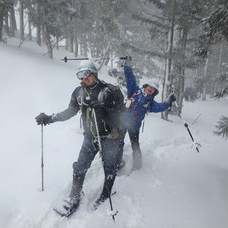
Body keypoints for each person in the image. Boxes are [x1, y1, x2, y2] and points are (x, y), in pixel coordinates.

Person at [35, 60, 124, 211]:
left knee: (110, 168)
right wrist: (49, 118)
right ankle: (74, 196)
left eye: (86, 75)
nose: (83, 79)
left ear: (94, 74)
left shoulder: (109, 91)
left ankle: (105, 193)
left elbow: (121, 115)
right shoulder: (78, 92)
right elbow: (70, 111)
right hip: (90, 137)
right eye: (80, 76)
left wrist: (107, 108)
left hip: (110, 137)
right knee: (79, 167)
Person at [121, 56, 176, 170]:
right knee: (118, 144)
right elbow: (130, 78)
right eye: (150, 87)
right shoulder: (134, 91)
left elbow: (161, 106)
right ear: (145, 86)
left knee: (135, 146)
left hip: (134, 127)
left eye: (154, 89)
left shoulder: (150, 103)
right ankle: (118, 163)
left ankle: (137, 166)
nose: (151, 89)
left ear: (154, 92)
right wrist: (127, 66)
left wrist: (168, 102)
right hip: (121, 122)